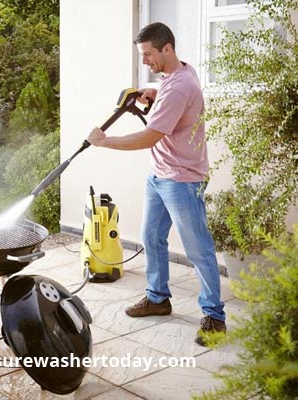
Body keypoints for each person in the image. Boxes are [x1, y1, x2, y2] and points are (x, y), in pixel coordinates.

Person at [86, 22, 225, 346]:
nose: (145, 61)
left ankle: (215, 316)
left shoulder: (178, 87)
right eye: (142, 55)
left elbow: (150, 136)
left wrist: (104, 141)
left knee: (198, 249)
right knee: (151, 236)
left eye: (148, 54)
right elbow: (171, 106)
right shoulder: (177, 76)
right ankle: (158, 298)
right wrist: (153, 95)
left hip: (182, 180)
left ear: (167, 49)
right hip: (160, 175)